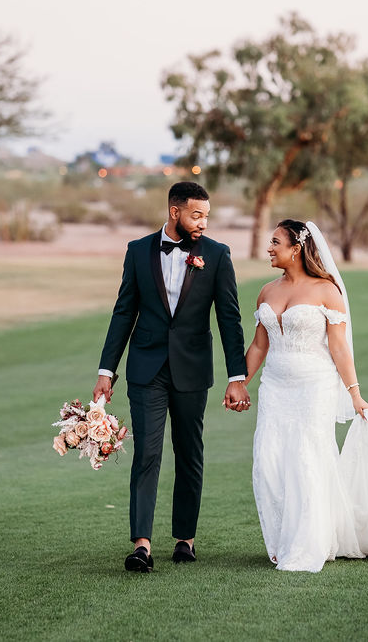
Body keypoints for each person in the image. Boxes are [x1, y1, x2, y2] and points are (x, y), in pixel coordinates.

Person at [242, 219, 368, 572]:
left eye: (275, 242)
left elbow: (340, 348)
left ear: (296, 249)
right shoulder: (266, 291)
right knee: (269, 462)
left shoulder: (327, 291)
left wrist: (355, 394)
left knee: (306, 460)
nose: (268, 248)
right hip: (275, 387)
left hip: (314, 386)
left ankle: (309, 543)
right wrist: (239, 381)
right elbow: (258, 344)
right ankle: (282, 538)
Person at [94, 181, 250, 573]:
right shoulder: (137, 251)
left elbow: (229, 317)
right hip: (146, 369)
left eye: (207, 216)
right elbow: (123, 313)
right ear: (174, 211)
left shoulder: (216, 254)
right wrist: (106, 371)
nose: (203, 223)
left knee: (189, 452)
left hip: (193, 369)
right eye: (196, 215)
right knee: (147, 453)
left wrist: (237, 376)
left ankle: (185, 539)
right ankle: (141, 545)